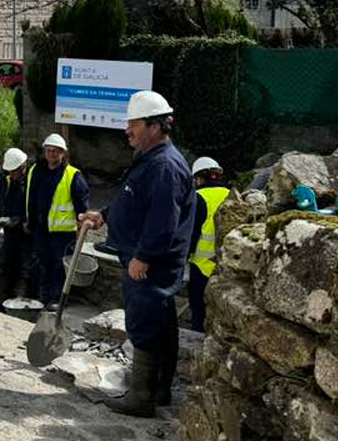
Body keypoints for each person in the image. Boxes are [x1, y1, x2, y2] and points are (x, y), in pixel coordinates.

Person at [79, 90, 196, 417]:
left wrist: (142, 257)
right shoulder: (150, 160)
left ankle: (141, 398)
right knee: (160, 323)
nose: (127, 130)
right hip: (144, 259)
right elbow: (132, 199)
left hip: (149, 264)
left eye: (133, 124)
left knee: (145, 323)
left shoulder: (165, 167)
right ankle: (157, 391)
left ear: (155, 127)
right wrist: (103, 214)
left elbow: (163, 221)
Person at [26, 133, 90, 310]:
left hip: (63, 233)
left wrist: (80, 230)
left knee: (58, 267)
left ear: (63, 154)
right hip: (41, 228)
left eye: (56, 151)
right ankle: (43, 297)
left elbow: (82, 208)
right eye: (49, 151)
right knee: (42, 263)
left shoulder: (73, 176)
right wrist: (29, 221)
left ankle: (57, 301)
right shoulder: (36, 170)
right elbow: (30, 198)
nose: (52, 154)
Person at [187, 156, 229, 332]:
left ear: (198, 178)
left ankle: (197, 341)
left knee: (199, 311)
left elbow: (190, 233)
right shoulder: (231, 194)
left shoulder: (198, 197)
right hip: (224, 267)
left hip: (201, 266)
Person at [0, 147, 36, 304]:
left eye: (14, 171)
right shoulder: (6, 179)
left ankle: (19, 303)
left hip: (27, 233)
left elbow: (37, 208)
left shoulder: (33, 181)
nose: (11, 174)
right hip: (10, 232)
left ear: (23, 167)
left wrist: (17, 220)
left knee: (25, 269)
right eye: (9, 171)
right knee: (5, 264)